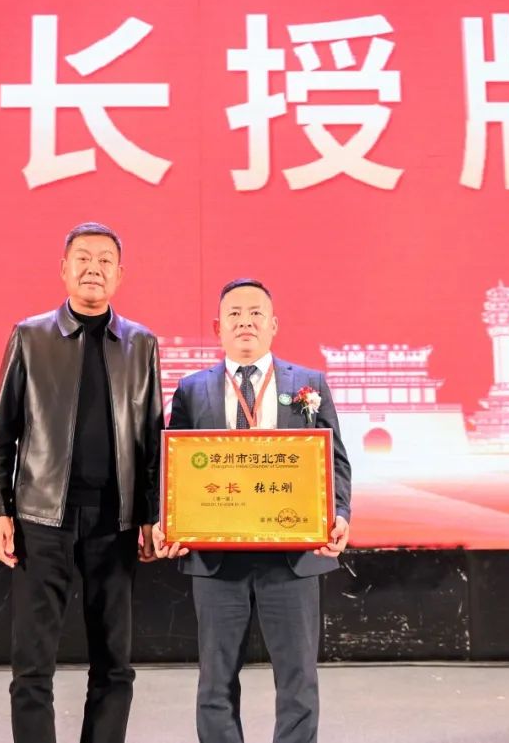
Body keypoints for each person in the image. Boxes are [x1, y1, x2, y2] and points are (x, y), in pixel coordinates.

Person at [0, 221, 163, 743]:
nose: (93, 269)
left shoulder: (141, 344)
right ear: (63, 269)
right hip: (41, 521)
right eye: (83, 258)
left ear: (120, 275)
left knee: (115, 665)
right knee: (32, 666)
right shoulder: (30, 336)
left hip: (115, 522)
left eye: (105, 260)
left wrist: (151, 515)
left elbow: (153, 443)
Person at [155, 278, 351, 743]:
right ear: (218, 327)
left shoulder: (309, 384)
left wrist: (340, 513)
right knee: (216, 681)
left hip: (293, 554)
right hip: (215, 557)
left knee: (298, 679)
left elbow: (335, 461)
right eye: (235, 314)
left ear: (274, 324)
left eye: (256, 313)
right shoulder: (191, 390)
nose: (246, 322)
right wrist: (167, 520)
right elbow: (172, 466)